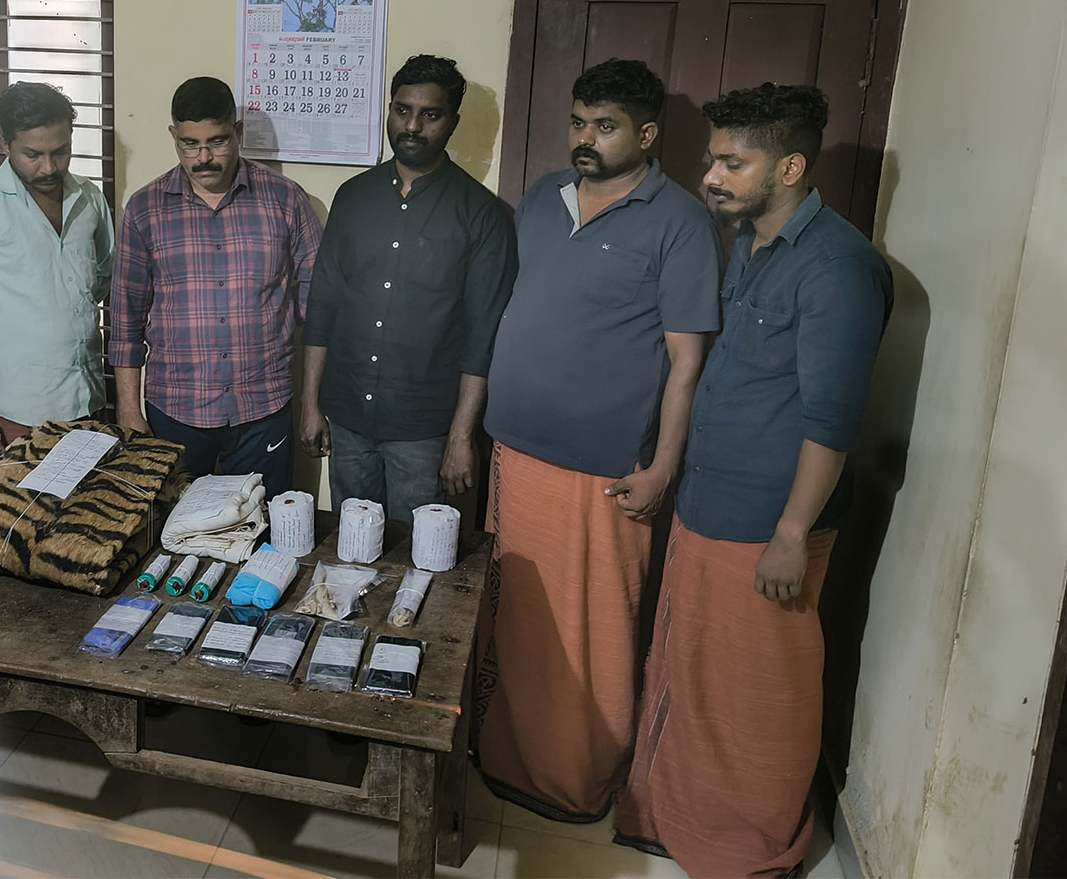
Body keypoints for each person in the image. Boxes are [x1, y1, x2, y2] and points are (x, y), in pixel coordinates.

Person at [615, 84, 893, 877]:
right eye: (713, 158)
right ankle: (684, 823)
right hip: (711, 500)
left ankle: (750, 854)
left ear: (791, 166)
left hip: (769, 528)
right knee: (694, 678)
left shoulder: (839, 267)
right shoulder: (753, 245)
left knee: (760, 701)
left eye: (734, 162)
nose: (712, 175)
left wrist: (792, 536)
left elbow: (831, 421)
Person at [475, 59, 722, 823]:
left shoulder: (679, 220)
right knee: (515, 618)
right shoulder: (543, 200)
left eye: (605, 126)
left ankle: (577, 779)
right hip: (515, 451)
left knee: (591, 632)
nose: (585, 139)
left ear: (646, 134)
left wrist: (663, 467)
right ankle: (503, 756)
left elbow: (688, 361)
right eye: (579, 122)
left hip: (603, 473)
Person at [299, 54, 516, 522]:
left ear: (452, 122)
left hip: (425, 430)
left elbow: (482, 339)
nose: (412, 126)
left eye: (430, 114)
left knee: (418, 566)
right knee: (351, 550)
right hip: (348, 416)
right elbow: (323, 306)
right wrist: (311, 404)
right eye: (401, 110)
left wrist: (461, 437)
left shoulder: (481, 214)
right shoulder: (353, 196)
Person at [111, 76, 322, 493]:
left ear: (238, 133)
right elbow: (125, 321)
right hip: (174, 410)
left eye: (218, 141)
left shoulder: (286, 200)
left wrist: (314, 403)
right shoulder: (144, 209)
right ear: (174, 137)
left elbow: (318, 308)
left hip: (263, 408)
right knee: (171, 537)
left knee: (263, 535)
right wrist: (129, 411)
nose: (204, 157)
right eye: (190, 144)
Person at [0, 82, 113, 437]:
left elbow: (104, 276)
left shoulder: (90, 199)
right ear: (5, 145)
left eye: (61, 152)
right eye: (33, 154)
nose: (49, 167)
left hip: (87, 396)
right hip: (15, 408)